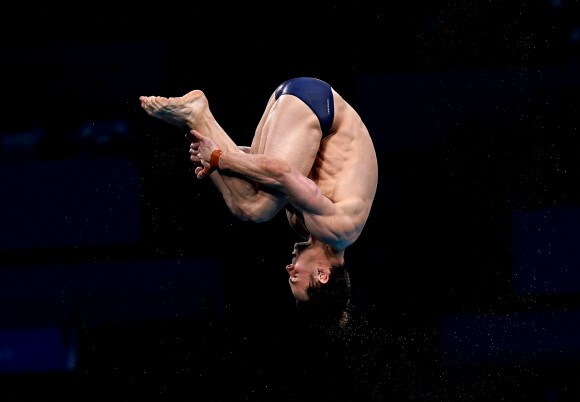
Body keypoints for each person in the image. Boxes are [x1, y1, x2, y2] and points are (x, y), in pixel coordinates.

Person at [140, 77, 378, 325]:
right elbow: (282, 172)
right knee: (257, 208)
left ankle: (197, 121)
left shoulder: (303, 225)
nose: (288, 269)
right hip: (318, 107)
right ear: (322, 275)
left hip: (302, 102)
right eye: (295, 278)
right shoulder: (339, 230)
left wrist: (215, 157)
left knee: (245, 200)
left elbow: (266, 164)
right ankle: (196, 115)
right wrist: (219, 158)